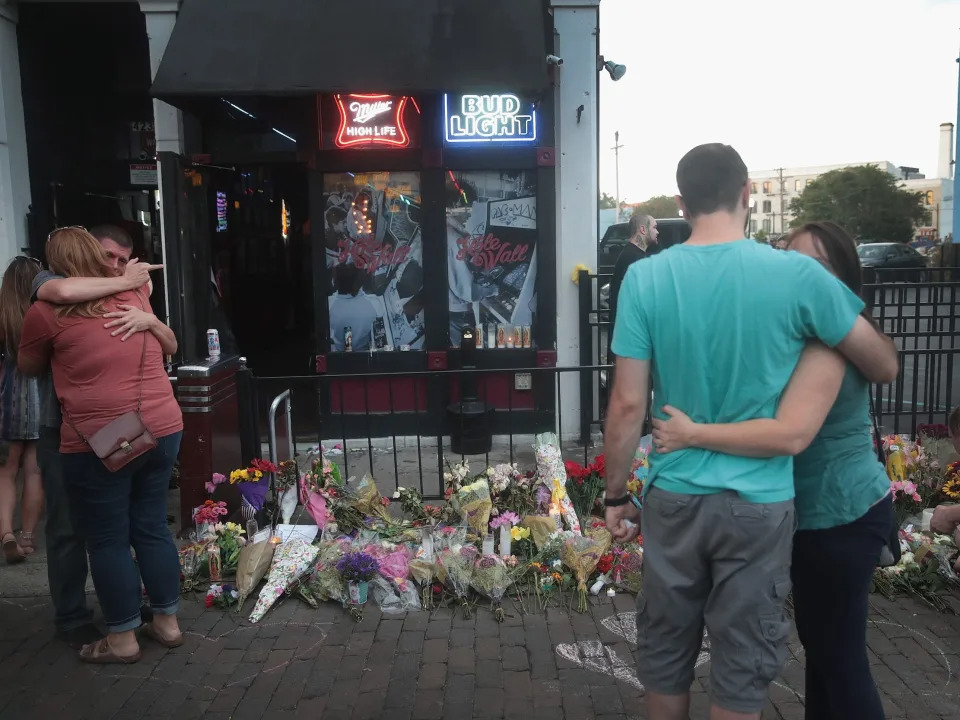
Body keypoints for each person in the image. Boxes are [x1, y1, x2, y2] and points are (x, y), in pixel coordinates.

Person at [603, 144, 899, 720]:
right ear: (745, 195)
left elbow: (627, 402)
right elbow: (882, 362)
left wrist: (616, 495)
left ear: (682, 202)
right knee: (741, 668)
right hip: (759, 503)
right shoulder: (796, 275)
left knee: (665, 651)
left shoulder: (645, 278)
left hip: (675, 494)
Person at [20, 227, 181, 664]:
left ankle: (123, 638)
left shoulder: (46, 311)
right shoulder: (133, 295)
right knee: (150, 526)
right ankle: (166, 623)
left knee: (107, 539)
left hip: (101, 439)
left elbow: (28, 365)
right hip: (163, 425)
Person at [0, 257, 44, 564]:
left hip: (7, 401)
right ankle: (27, 537)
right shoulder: (41, 314)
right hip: (40, 399)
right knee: (34, 471)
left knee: (5, 472)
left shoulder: (2, 317)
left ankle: (6, 533)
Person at [607, 213, 658, 364]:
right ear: (643, 229)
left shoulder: (631, 254)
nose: (657, 231)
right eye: (654, 227)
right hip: (630, 343)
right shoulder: (633, 258)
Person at [329, 263, 377, 351]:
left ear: (335, 281)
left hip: (340, 352)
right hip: (362, 352)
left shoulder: (329, 305)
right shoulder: (373, 303)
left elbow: (348, 343)